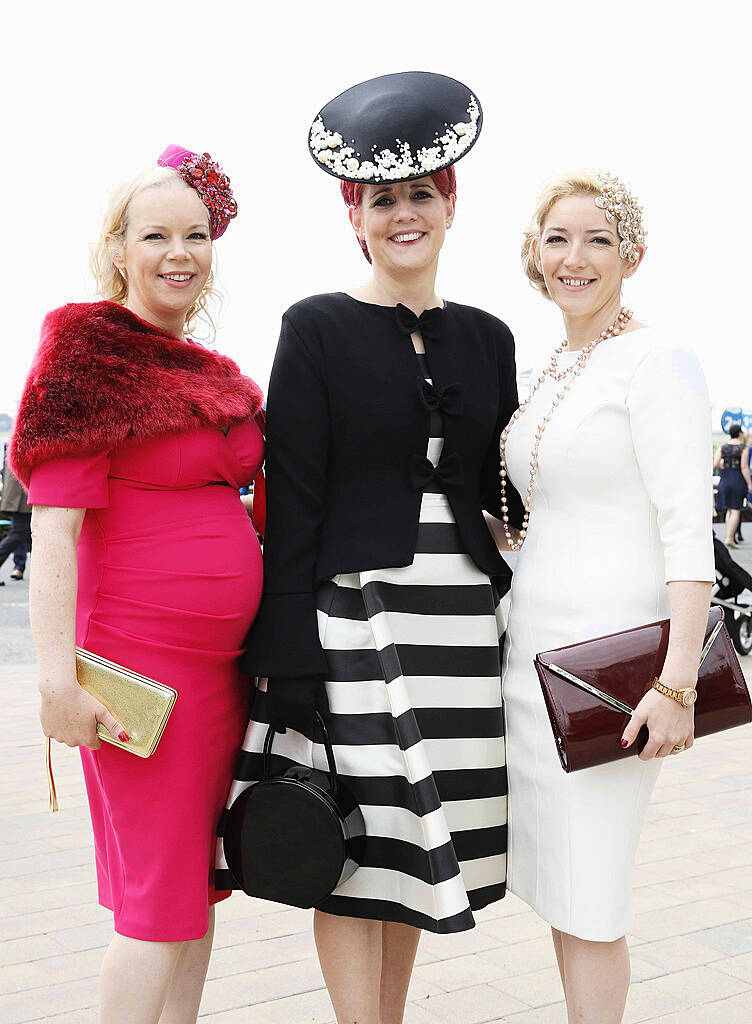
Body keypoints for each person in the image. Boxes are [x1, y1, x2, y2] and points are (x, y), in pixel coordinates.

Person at [217, 73, 524, 1024]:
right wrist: (290, 664)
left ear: (451, 204)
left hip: (463, 626)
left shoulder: (490, 337)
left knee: (414, 856)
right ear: (354, 216)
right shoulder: (314, 326)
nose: (404, 215)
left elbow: (501, 494)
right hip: (356, 622)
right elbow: (294, 501)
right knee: (356, 854)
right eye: (382, 200)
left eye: (421, 195)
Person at [10, 146, 264, 1024]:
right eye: (155, 234)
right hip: (139, 676)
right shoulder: (86, 353)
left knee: (193, 901)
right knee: (157, 909)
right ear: (117, 247)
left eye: (195, 235)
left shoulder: (201, 366)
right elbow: (55, 529)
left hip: (220, 676)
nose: (179, 253)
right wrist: (54, 680)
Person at [499, 171, 714, 1024]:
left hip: (611, 673)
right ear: (535, 254)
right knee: (561, 887)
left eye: (597, 240)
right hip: (531, 653)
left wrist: (677, 683)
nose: (574, 258)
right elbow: (554, 508)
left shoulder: (657, 360)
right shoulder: (554, 364)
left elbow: (686, 533)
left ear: (632, 255)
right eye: (557, 239)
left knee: (592, 893)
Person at [715, 424, 751, 546]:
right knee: (736, 509)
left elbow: (716, 464)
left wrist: (723, 468)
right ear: (740, 433)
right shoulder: (743, 448)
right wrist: (749, 483)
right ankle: (730, 537)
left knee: (729, 510)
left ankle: (728, 535)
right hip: (738, 480)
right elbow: (744, 467)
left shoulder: (722, 447)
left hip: (725, 479)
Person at [0, 447, 31, 582]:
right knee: (18, 534)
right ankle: (19, 566)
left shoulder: (11, 441)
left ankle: (19, 567)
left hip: (17, 498)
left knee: (22, 533)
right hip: (22, 498)